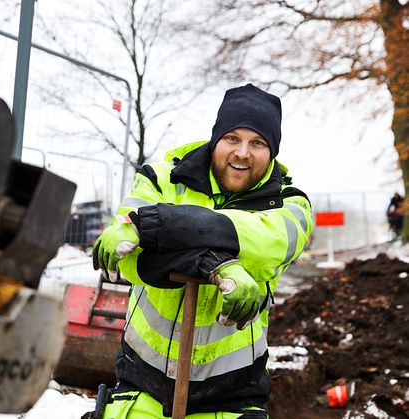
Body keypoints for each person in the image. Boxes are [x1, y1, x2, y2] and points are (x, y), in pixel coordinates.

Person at [92, 84, 313, 418]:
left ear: (272, 152)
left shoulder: (290, 205)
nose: (242, 152)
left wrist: (151, 226)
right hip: (141, 388)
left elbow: (265, 243)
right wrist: (219, 265)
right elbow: (132, 260)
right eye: (232, 138)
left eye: (258, 143)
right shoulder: (160, 179)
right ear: (215, 140)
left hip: (232, 398)